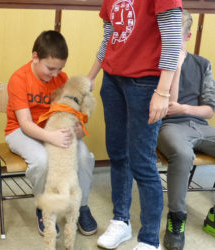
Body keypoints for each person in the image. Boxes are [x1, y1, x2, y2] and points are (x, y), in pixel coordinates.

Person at [87, 1, 183, 249]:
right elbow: (109, 38)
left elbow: (173, 39)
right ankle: (121, 220)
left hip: (144, 82)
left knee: (142, 162)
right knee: (118, 155)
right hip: (112, 80)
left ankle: (149, 239)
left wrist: (162, 92)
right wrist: (90, 76)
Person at [5, 30, 97, 237]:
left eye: (60, 69)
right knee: (42, 161)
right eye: (50, 68)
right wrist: (51, 138)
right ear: (35, 57)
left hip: (54, 129)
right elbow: (26, 123)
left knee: (83, 157)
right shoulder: (19, 78)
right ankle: (43, 205)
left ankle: (81, 206)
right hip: (20, 131)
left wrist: (78, 130)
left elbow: (73, 112)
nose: (56, 74)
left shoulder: (62, 78)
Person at [157, 10, 215, 250]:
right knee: (182, 155)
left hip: (200, 125)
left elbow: (209, 109)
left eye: (176, 38)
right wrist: (176, 65)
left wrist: (186, 109)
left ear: (188, 36)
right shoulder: (157, 62)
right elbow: (170, 107)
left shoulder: (203, 64)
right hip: (170, 127)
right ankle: (176, 220)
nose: (169, 43)